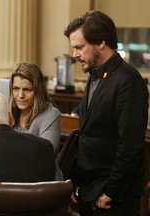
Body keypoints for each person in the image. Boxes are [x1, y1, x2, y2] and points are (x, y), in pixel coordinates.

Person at [64, 10, 148, 216]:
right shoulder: (94, 75)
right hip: (89, 189)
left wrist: (111, 191)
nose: (75, 54)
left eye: (79, 47)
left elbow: (130, 145)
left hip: (111, 198)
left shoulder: (129, 80)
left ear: (101, 42)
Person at [8, 62, 63, 180]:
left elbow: (45, 154)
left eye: (27, 89)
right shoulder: (7, 113)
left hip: (43, 182)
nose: (20, 95)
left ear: (38, 91)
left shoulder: (51, 114)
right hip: (14, 180)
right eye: (16, 88)